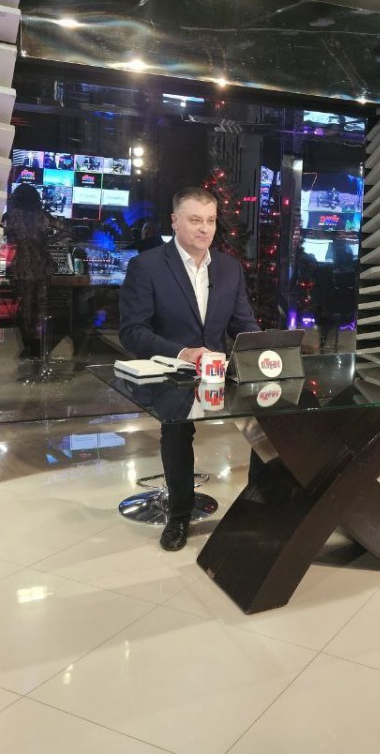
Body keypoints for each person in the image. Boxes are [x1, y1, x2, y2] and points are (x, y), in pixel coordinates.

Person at [119, 187, 260, 551]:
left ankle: (262, 507)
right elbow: (132, 331)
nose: (204, 228)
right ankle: (178, 516)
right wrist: (183, 352)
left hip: (218, 371)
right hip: (170, 371)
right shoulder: (147, 266)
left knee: (268, 416)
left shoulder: (229, 267)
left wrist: (263, 347)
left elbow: (242, 324)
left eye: (210, 220)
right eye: (195, 219)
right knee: (177, 428)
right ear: (175, 221)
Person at [5, 183, 56, 358]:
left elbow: (10, 239)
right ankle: (37, 346)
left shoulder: (13, 216)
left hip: (22, 266)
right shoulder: (43, 217)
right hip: (42, 266)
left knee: (25, 307)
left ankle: (27, 345)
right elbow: (67, 230)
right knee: (40, 308)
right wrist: (47, 242)